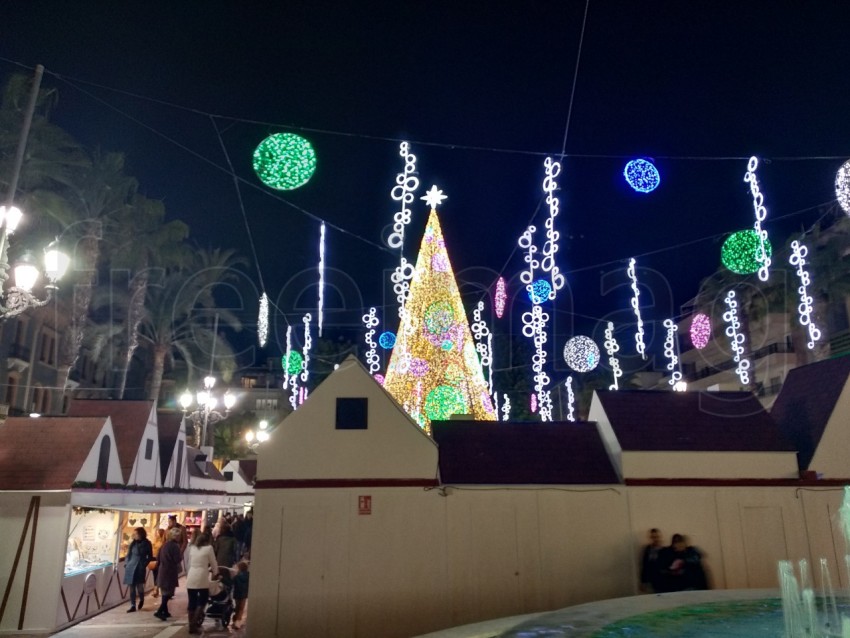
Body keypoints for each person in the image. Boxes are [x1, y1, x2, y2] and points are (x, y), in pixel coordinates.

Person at [185, 531, 219, 634]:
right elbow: (214, 563)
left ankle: (191, 624)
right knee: (202, 600)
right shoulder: (209, 549)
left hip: (191, 577)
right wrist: (216, 573)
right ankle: (193, 624)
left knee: (192, 602)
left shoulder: (192, 548)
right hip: (202, 578)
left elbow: (189, 563)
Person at [153, 528, 183, 621]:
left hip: (162, 570)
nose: (179, 537)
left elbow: (158, 558)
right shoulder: (175, 546)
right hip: (170, 571)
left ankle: (165, 611)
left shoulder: (164, 545)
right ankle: (159, 611)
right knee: (168, 593)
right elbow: (177, 559)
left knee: (165, 592)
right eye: (178, 536)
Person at [123, 527, 153, 612]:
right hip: (131, 566)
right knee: (131, 586)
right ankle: (133, 605)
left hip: (140, 566)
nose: (134, 535)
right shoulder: (133, 543)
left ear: (140, 534)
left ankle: (142, 599)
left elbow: (150, 556)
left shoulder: (147, 543)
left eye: (136, 534)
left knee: (140, 586)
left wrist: (144, 564)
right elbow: (128, 554)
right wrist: (126, 563)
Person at [639, 528, 665, 593]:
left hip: (662, 581)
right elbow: (644, 566)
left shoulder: (666, 550)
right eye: (653, 537)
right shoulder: (647, 550)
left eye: (657, 537)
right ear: (651, 538)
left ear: (660, 537)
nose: (655, 539)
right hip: (650, 581)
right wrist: (643, 582)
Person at [230, 561, 250, 631]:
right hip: (244, 594)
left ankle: (235, 622)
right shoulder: (249, 576)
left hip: (237, 593)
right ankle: (237, 623)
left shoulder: (236, 576)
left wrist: (221, 579)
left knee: (237, 608)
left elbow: (230, 583)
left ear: (239, 568)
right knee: (241, 608)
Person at [150, 528, 166, 598]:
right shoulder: (155, 540)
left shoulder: (164, 542)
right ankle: (156, 589)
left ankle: (157, 590)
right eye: (159, 532)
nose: (159, 534)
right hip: (154, 558)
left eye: (161, 533)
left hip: (160, 559)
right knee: (155, 574)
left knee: (159, 575)